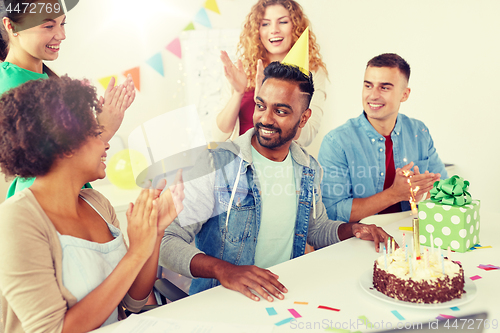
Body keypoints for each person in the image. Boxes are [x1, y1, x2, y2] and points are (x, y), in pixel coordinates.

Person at [160, 62, 391, 302]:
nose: (265, 119)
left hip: (281, 297)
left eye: (280, 111)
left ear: (303, 119)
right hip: (221, 302)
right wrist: (225, 270)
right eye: (261, 106)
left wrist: (351, 229)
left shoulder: (308, 167)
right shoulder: (214, 163)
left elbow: (317, 228)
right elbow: (166, 241)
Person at [0, 76, 183, 332]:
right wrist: (136, 252)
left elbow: (133, 300)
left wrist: (154, 231)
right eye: (97, 133)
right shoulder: (15, 220)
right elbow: (50, 330)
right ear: (65, 147)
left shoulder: (97, 203)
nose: (106, 143)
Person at [0, 0, 135, 197]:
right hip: (45, 205)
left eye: (62, 24)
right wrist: (104, 128)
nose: (61, 35)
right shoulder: (11, 88)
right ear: (11, 26)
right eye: (48, 26)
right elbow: (52, 168)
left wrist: (95, 126)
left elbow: (65, 150)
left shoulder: (43, 79)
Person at [318, 53, 448, 223]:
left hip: (408, 236)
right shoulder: (336, 142)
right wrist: (394, 194)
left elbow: (444, 189)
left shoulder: (419, 132)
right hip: (357, 243)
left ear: (405, 94)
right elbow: (332, 212)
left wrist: (422, 194)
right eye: (368, 86)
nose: (373, 95)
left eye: (384, 87)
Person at [213, 0, 327, 147]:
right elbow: (219, 136)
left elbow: (307, 136)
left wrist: (269, 100)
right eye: (265, 23)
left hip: (280, 164)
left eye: (283, 22)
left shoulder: (312, 71)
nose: (274, 30)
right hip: (240, 162)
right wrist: (238, 93)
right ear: (257, 31)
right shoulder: (242, 70)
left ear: (295, 27)